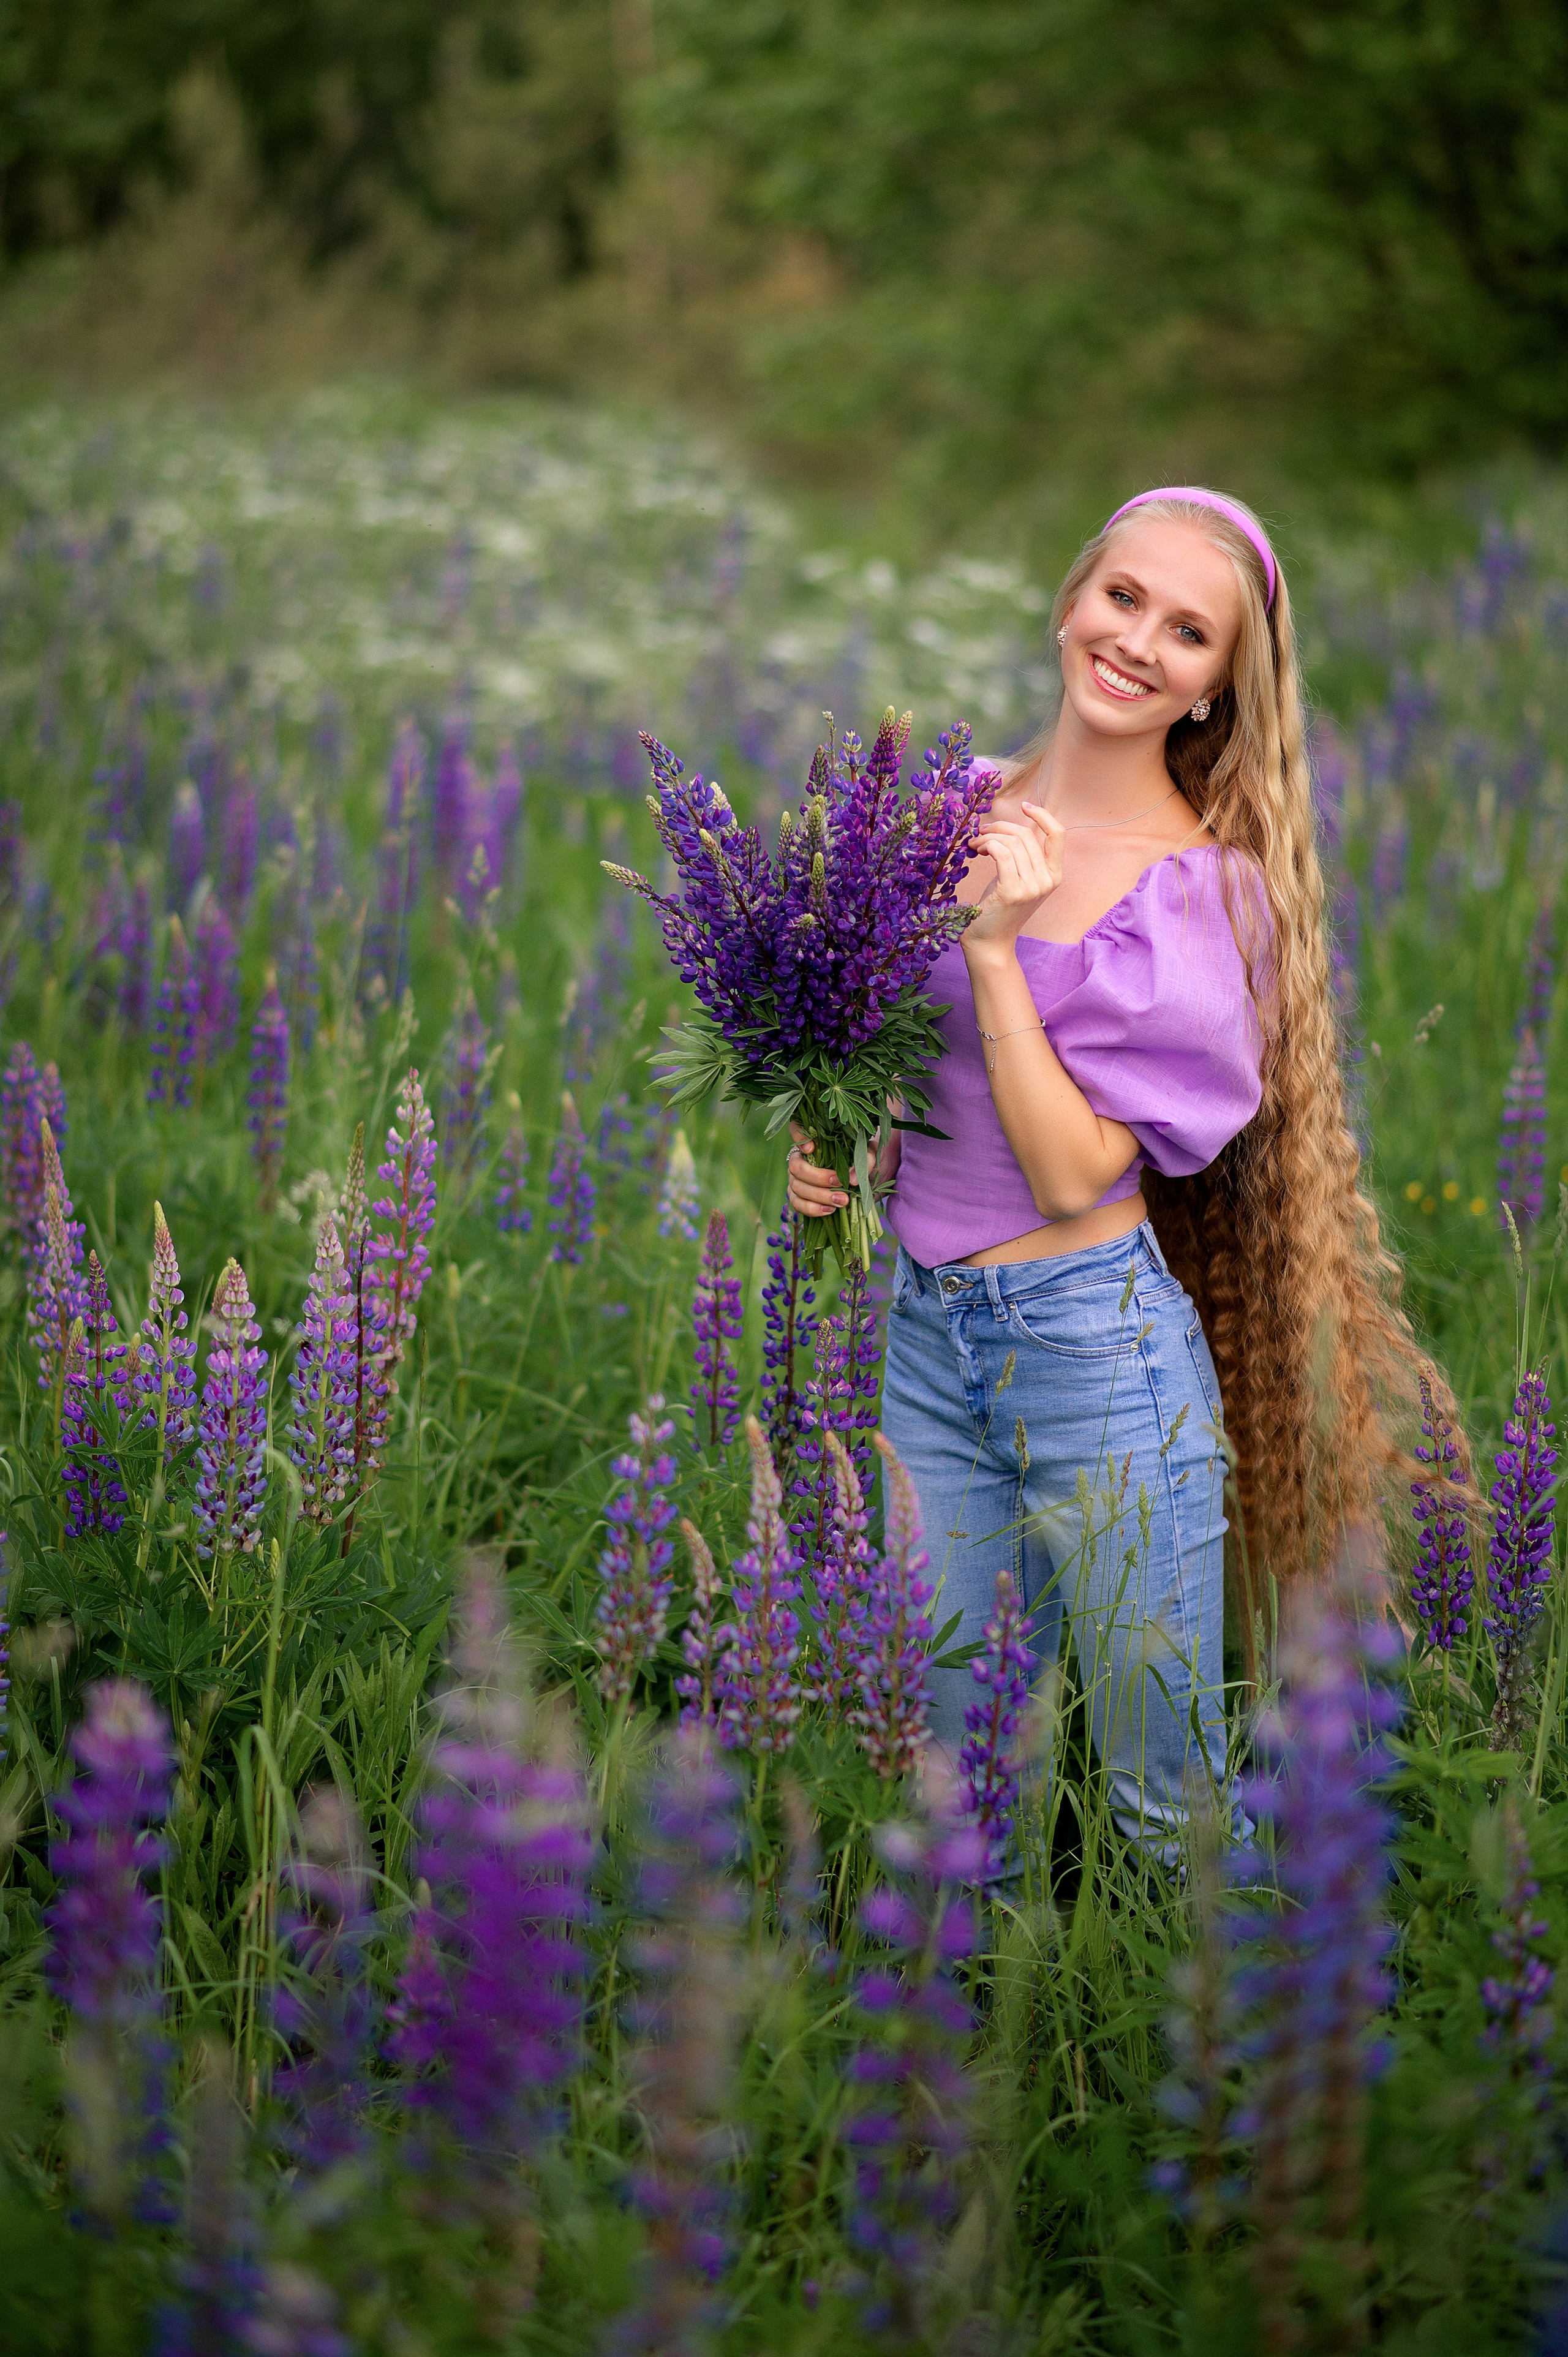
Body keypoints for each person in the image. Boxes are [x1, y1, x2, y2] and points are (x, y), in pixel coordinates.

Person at [785, 486, 1449, 1858]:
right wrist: (833, 1138)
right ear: (1068, 599)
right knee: (955, 1777)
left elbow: (1075, 1166)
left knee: (1166, 1802)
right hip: (922, 1341)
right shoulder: (947, 809)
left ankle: (1274, 2054)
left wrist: (993, 946)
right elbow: (904, 1055)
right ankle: (969, 2058)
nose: (1139, 640)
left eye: (1188, 631)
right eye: (1122, 597)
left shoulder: (1198, 891)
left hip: (1094, 1360)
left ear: (1216, 687)